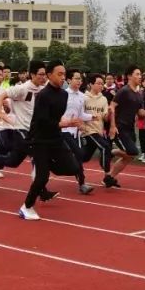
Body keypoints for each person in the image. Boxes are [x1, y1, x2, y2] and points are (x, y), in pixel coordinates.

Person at [19, 60, 84, 220]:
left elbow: (57, 115)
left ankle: (48, 165)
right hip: (39, 139)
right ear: (49, 75)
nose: (63, 77)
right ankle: (26, 207)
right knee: (42, 178)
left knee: (73, 167)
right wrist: (66, 123)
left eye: (64, 74)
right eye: (59, 74)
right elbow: (43, 121)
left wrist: (68, 122)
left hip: (55, 138)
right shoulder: (43, 95)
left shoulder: (64, 94)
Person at [107, 66, 145, 188]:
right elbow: (111, 107)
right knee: (132, 152)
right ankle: (110, 152)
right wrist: (113, 126)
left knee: (130, 156)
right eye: (137, 74)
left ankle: (109, 177)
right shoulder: (123, 91)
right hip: (120, 127)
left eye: (141, 74)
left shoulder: (139, 94)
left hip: (130, 128)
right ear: (129, 76)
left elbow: (140, 114)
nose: (140, 77)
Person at [60, 69, 95, 195]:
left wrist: (92, 117)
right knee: (78, 154)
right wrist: (66, 122)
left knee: (79, 156)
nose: (79, 81)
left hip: (75, 133)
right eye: (76, 78)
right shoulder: (63, 94)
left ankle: (82, 184)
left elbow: (81, 115)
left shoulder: (82, 96)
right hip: (63, 131)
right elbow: (58, 113)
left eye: (80, 78)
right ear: (69, 80)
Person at [79, 74, 112, 179]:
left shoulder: (103, 99)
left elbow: (105, 118)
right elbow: (80, 115)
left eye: (102, 84)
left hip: (99, 131)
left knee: (84, 157)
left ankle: (71, 161)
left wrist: (110, 113)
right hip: (88, 131)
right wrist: (82, 126)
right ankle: (107, 176)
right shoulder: (83, 98)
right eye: (98, 83)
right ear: (90, 84)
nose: (101, 85)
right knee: (105, 147)